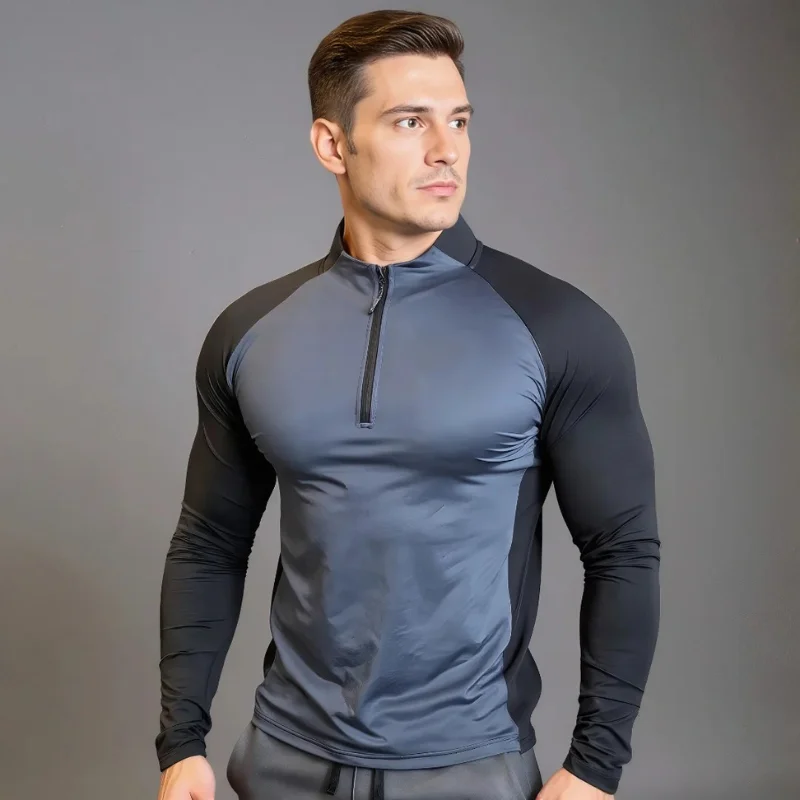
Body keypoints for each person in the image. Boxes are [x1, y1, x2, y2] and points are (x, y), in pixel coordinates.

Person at [155, 9, 660, 800]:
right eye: (410, 121)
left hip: (471, 765)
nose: (446, 148)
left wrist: (597, 766)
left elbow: (622, 550)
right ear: (333, 145)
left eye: (459, 120)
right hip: (281, 761)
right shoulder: (252, 330)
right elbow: (209, 541)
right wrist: (181, 742)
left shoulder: (557, 326)